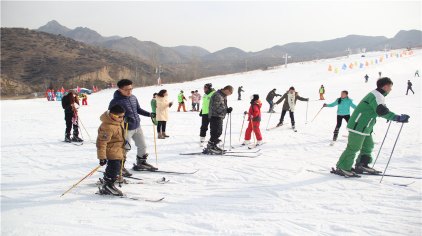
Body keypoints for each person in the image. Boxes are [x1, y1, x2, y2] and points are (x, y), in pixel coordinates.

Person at [334, 77, 410, 177]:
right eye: (390, 87)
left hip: (366, 126)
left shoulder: (378, 95)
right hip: (358, 125)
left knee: (368, 146)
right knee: (354, 147)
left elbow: (376, 110)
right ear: (385, 86)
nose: (391, 89)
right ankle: (342, 167)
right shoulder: (377, 96)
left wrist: (389, 116)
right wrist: (397, 117)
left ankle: (362, 164)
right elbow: (381, 110)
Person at [108, 79, 157, 175]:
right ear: (120, 89)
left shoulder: (133, 97)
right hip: (125, 129)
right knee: (125, 148)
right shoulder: (115, 101)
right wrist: (123, 119)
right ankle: (119, 167)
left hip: (137, 126)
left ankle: (141, 162)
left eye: (131, 89)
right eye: (126, 89)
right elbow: (111, 115)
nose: (129, 91)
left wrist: (149, 114)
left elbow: (138, 109)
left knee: (142, 146)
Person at [96, 104, 126, 196]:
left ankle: (110, 177)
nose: (122, 118)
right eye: (119, 117)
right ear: (112, 115)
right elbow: (101, 143)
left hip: (119, 149)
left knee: (118, 165)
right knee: (114, 167)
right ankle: (108, 185)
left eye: (123, 116)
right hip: (111, 151)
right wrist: (102, 157)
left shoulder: (117, 121)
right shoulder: (107, 127)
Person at [206, 85, 233, 153]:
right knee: (216, 132)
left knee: (218, 132)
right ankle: (211, 146)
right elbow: (216, 107)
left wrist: (227, 109)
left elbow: (222, 105)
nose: (229, 95)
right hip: (215, 115)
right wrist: (226, 110)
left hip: (219, 115)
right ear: (227, 90)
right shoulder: (218, 95)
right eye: (230, 93)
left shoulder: (222, 95)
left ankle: (213, 145)